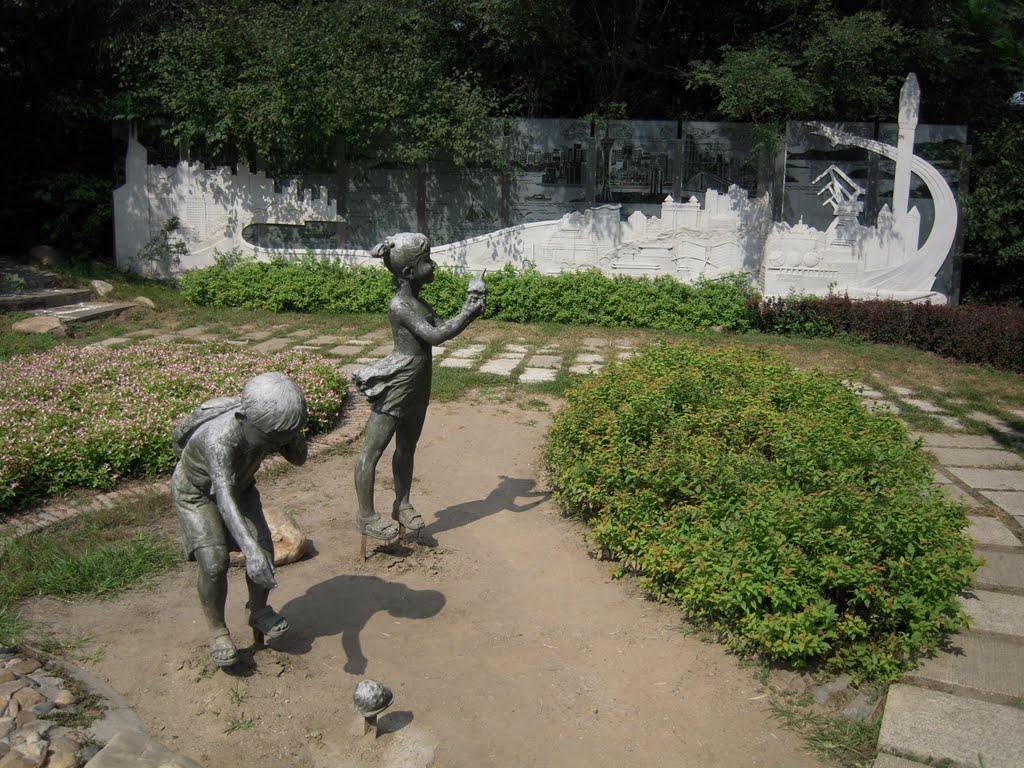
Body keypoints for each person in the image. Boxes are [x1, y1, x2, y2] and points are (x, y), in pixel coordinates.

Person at [352, 232, 486, 541]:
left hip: (419, 383)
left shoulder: (418, 301)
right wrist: (467, 313)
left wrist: (469, 310)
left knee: (407, 448)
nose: (434, 265)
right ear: (410, 272)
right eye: (427, 261)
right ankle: (366, 515)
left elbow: (442, 328)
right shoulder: (400, 305)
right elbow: (434, 336)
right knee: (371, 452)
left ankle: (402, 503)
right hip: (399, 382)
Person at [171, 371, 308, 668]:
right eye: (271, 438)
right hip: (197, 494)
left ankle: (258, 610)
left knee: (265, 550)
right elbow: (223, 497)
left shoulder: (267, 428)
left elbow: (300, 459)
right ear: (244, 419)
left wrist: (290, 435)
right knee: (214, 562)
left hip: (242, 489)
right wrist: (249, 551)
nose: (274, 443)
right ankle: (218, 630)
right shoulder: (218, 440)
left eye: (279, 437)